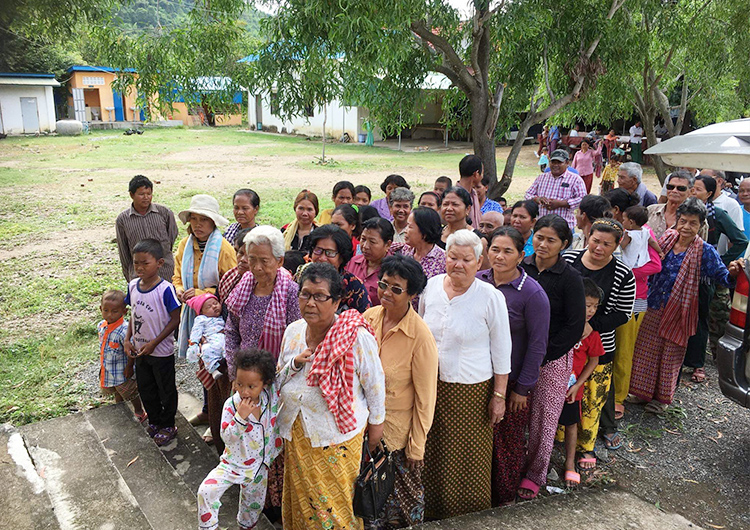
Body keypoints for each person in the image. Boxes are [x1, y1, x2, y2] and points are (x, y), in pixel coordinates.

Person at [276, 263, 386, 530]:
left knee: (333, 510)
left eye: (320, 296)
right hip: (297, 434)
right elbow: (278, 378)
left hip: (336, 438)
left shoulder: (355, 337)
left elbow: (375, 386)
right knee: (302, 504)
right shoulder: (293, 331)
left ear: (336, 301)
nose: (310, 303)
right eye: (305, 294)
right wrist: (295, 366)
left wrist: (375, 431)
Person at [419, 230, 512, 519]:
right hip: (432, 387)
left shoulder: (490, 297)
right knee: (433, 453)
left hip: (471, 392)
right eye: (452, 257)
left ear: (479, 261)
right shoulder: (432, 286)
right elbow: (421, 332)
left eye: (466, 259)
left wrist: (499, 396)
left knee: (468, 459)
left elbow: (502, 349)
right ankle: (432, 513)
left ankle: (469, 517)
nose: (458, 264)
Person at [629, 198, 740, 413]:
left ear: (701, 226)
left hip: (680, 311)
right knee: (646, 349)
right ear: (677, 221)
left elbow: (723, 277)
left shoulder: (705, 251)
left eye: (693, 223)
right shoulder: (668, 239)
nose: (686, 227)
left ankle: (661, 399)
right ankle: (641, 393)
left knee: (670, 354)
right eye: (683, 221)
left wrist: (734, 271)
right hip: (654, 304)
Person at [363, 255, 438, 528]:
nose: (387, 293)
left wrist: (416, 448)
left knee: (397, 510)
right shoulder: (368, 319)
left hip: (396, 439)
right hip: (362, 428)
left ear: (413, 294)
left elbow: (425, 399)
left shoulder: (420, 337)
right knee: (365, 501)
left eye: (397, 289)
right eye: (384, 285)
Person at [477, 227, 549, 505]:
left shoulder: (532, 294)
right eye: (495, 249)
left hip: (514, 382)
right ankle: (479, 493)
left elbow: (537, 346)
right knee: (481, 440)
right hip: (478, 377)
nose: (499, 256)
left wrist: (523, 388)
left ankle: (504, 496)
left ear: (521, 255)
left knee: (507, 442)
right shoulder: (479, 280)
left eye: (508, 251)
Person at [518, 215, 585, 500]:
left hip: (552, 357)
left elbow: (574, 325)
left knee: (544, 417)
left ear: (564, 244)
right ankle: (512, 465)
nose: (543, 245)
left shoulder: (570, 278)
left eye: (551, 240)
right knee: (515, 413)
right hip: (518, 352)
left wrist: (544, 355)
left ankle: (536, 473)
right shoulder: (522, 268)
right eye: (539, 238)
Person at [563, 220, 635, 462]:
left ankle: (587, 444)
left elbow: (623, 313)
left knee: (594, 397)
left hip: (599, 347)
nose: (599, 248)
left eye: (607, 244)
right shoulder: (569, 260)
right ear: (587, 237)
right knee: (565, 392)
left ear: (617, 245)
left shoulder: (624, 274)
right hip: (564, 345)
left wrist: (591, 325)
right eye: (595, 241)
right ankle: (560, 436)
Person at [197, 349, 284, 530]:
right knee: (206, 491)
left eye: (251, 386)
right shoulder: (232, 405)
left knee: (252, 509)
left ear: (265, 384)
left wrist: (296, 362)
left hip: (260, 467)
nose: (244, 391)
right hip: (233, 464)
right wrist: (240, 418)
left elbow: (284, 375)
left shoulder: (270, 397)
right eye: (239, 384)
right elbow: (227, 437)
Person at [684, 175, 747, 382]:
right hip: (682, 274)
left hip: (705, 278)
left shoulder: (717, 214)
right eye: (692, 188)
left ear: (709, 194)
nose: (693, 192)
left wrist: (718, 261)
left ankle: (697, 364)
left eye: (698, 189)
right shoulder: (683, 213)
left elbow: (740, 240)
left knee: (701, 318)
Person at [124, 238, 181, 446]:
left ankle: (168, 425)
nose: (139, 267)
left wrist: (155, 343)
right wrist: (127, 339)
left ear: (159, 263)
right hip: (140, 351)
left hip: (161, 352)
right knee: (146, 388)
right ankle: (155, 420)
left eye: (145, 263)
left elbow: (175, 319)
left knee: (165, 389)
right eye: (136, 263)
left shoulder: (165, 290)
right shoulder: (132, 286)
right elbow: (133, 315)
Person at [613, 207, 662, 419]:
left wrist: (627, 273)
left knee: (626, 346)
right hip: (619, 295)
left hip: (637, 299)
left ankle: (618, 396)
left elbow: (656, 266)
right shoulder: (642, 232)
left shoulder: (633, 234)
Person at [173, 194, 236, 358]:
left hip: (216, 315)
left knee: (215, 355)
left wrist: (201, 294)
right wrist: (180, 290)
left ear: (213, 222)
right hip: (191, 310)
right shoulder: (184, 245)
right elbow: (177, 275)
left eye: (203, 219)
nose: (197, 224)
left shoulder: (223, 248)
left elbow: (232, 285)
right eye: (193, 219)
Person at [559, 278, 605, 487]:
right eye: (587, 305)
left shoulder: (591, 334)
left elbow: (594, 359)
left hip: (572, 388)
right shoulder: (559, 324)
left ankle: (569, 463)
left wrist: (578, 384)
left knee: (570, 424)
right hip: (551, 383)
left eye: (595, 306)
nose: (591, 311)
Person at [115, 175, 178, 282]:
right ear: (131, 195)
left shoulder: (164, 213)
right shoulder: (123, 219)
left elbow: (171, 236)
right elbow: (124, 251)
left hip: (166, 272)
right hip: (140, 276)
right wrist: (130, 276)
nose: (146, 197)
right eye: (141, 194)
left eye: (149, 194)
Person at [97, 289, 145, 422]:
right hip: (109, 369)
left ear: (124, 312)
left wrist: (129, 367)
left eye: (114, 311)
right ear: (100, 309)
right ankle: (120, 409)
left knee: (130, 393)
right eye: (105, 310)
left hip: (122, 371)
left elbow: (131, 351)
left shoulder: (124, 331)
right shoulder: (101, 326)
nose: (109, 315)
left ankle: (139, 411)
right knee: (117, 391)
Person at [302, 224, 371, 313]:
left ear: (342, 257)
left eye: (330, 253)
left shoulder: (354, 286)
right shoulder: (302, 276)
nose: (322, 258)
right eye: (318, 250)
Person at [391, 207, 446, 309]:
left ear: (424, 232)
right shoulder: (405, 251)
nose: (406, 231)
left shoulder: (443, 259)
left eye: (410, 227)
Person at [525, 149, 587, 230]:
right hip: (543, 225)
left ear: (567, 163)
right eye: (553, 162)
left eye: (559, 162)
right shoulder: (542, 178)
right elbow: (528, 194)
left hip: (565, 226)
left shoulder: (575, 179)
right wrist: (537, 199)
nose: (555, 165)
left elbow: (583, 200)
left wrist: (562, 203)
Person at [345, 218, 394, 306]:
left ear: (387, 245)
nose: (365, 246)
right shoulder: (353, 262)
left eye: (372, 242)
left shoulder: (394, 271)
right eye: (363, 239)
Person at [647, 170, 702, 240]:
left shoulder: (697, 218)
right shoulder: (651, 211)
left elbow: (700, 247)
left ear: (691, 191)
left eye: (681, 188)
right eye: (670, 187)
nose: (674, 191)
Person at [185, 293, 225, 379]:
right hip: (211, 340)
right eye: (209, 307)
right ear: (202, 312)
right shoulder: (201, 319)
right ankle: (213, 369)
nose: (214, 307)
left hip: (224, 339)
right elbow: (196, 331)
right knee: (206, 350)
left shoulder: (222, 317)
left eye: (215, 303)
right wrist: (194, 344)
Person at [218, 227, 252, 302]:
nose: (243, 259)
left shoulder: (263, 287)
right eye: (240, 253)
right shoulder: (229, 276)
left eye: (250, 255)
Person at [456, 155, 484, 227]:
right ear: (476, 174)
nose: (482, 177)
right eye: (482, 173)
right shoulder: (455, 196)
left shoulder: (474, 193)